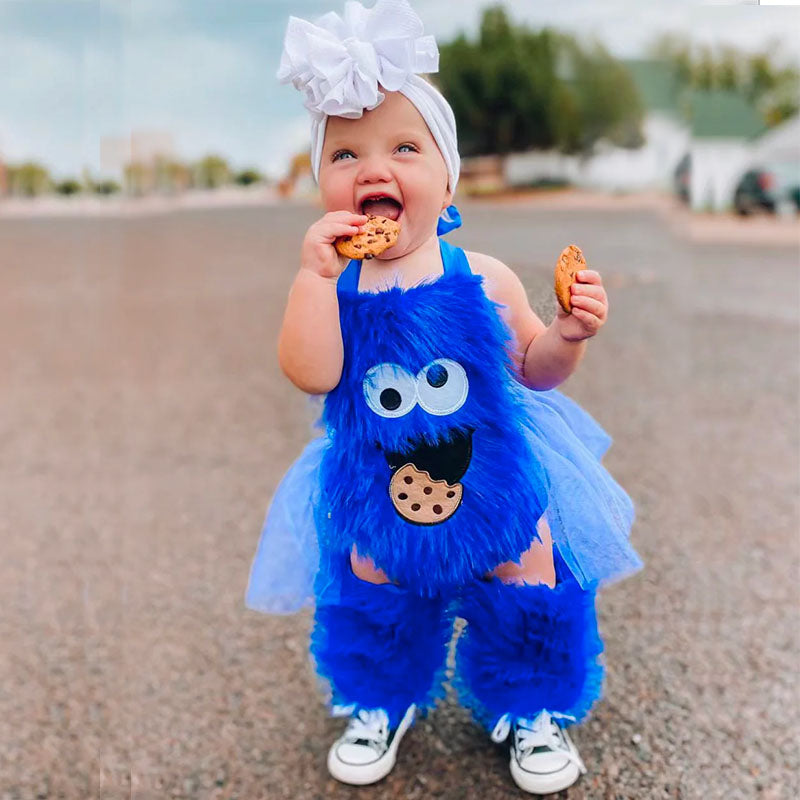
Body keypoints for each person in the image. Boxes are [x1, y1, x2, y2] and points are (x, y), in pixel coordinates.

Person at [247, 0, 642, 794]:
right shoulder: (337, 285)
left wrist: (566, 334)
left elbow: (532, 366)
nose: (375, 169)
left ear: (447, 173)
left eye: (403, 147)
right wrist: (310, 280)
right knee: (373, 581)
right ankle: (381, 699)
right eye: (347, 153)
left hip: (493, 478)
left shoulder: (482, 277)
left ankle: (532, 708)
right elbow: (312, 372)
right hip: (376, 482)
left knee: (526, 573)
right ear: (324, 181)